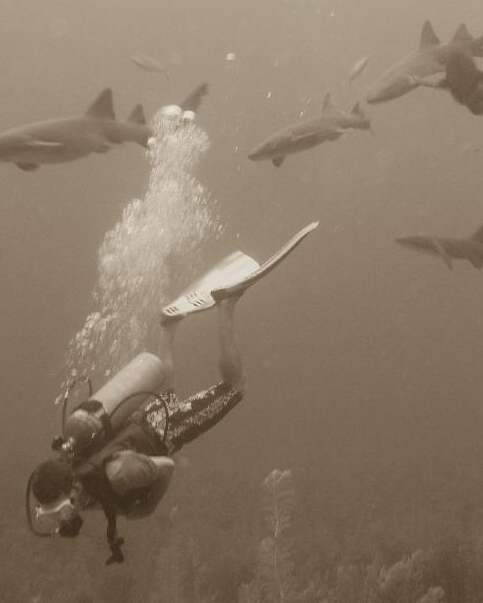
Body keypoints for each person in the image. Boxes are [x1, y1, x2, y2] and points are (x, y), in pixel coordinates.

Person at [28, 220, 317, 564]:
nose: (61, 520)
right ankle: (168, 327)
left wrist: (146, 508)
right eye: (50, 517)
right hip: (143, 422)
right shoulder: (78, 473)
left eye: (59, 511)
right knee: (165, 391)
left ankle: (227, 305)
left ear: (72, 488)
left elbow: (165, 466)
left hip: (163, 431)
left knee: (235, 389)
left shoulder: (117, 474)